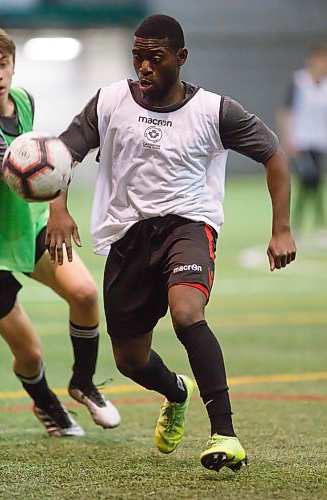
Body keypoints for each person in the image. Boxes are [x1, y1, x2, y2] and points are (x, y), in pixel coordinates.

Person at [46, 14, 296, 471]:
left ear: (180, 58)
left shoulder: (215, 111)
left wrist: (281, 227)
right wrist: (57, 209)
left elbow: (273, 153)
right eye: (137, 57)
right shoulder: (109, 102)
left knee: (186, 314)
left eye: (155, 59)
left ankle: (225, 433)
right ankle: (175, 391)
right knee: (130, 360)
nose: (144, 67)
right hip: (127, 235)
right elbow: (62, 154)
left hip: (188, 227)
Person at [0, 23, 121, 437]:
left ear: (13, 66)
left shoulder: (23, 100)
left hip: (25, 229)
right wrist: (55, 198)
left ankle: (83, 384)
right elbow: (20, 170)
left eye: (3, 63)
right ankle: (47, 405)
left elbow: (41, 163)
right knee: (29, 355)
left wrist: (56, 210)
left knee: (85, 293)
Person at [278, 44, 327, 233]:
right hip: (301, 141)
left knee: (316, 182)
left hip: (319, 141)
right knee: (308, 178)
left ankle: (317, 224)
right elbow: (286, 111)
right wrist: (288, 138)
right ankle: (297, 223)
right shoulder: (299, 81)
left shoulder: (325, 86)